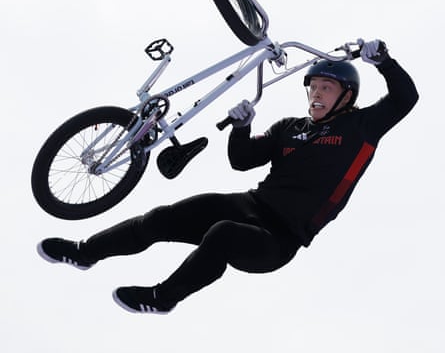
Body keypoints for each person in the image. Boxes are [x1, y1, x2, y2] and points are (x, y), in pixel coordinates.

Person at [37, 39, 418, 314]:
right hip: (250, 203)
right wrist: (241, 128)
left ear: (346, 95)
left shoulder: (363, 126)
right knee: (161, 218)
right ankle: (83, 252)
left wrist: (384, 61)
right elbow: (243, 161)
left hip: (280, 238)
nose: (316, 94)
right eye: (313, 87)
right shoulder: (290, 127)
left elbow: (406, 98)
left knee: (222, 234)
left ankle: (162, 297)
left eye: (326, 88)